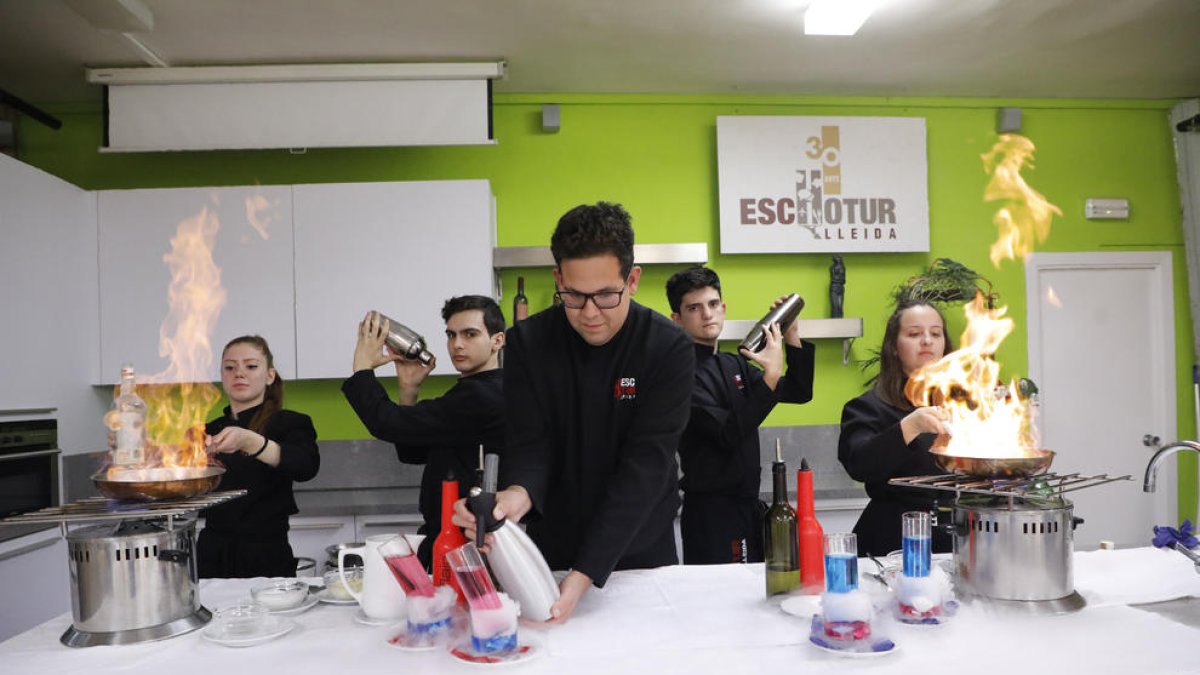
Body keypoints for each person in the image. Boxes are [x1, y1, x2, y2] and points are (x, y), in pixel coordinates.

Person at [455, 201, 694, 623]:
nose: (589, 313)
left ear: (633, 280)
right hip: (555, 549)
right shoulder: (529, 342)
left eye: (605, 295)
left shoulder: (667, 347)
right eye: (574, 295)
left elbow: (645, 467)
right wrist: (518, 494)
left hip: (640, 549)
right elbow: (531, 443)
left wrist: (586, 574)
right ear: (558, 279)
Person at [665, 266, 816, 565]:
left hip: (748, 507)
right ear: (677, 319)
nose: (707, 314)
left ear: (723, 309)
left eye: (712, 304)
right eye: (694, 308)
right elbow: (728, 434)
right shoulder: (677, 374)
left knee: (753, 599)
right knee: (720, 604)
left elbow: (799, 392)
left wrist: (792, 336)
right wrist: (770, 376)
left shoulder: (735, 363)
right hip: (712, 515)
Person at [341, 296, 505, 569]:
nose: (457, 344)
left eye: (470, 334)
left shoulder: (481, 395)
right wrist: (409, 388)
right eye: (451, 335)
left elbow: (386, 423)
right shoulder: (475, 390)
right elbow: (413, 450)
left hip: (467, 545)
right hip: (452, 538)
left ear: (497, 341)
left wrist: (362, 369)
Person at [837, 299, 955, 557]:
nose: (927, 340)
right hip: (893, 540)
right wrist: (910, 425)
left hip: (958, 536)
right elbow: (860, 464)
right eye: (914, 334)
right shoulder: (867, 408)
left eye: (936, 333)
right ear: (893, 347)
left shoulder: (964, 404)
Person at [200, 335, 320, 578]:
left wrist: (250, 441)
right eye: (230, 367)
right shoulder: (207, 431)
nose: (239, 373)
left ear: (270, 375)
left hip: (266, 555)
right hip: (211, 553)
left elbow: (305, 466)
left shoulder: (290, 423)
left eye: (251, 366)